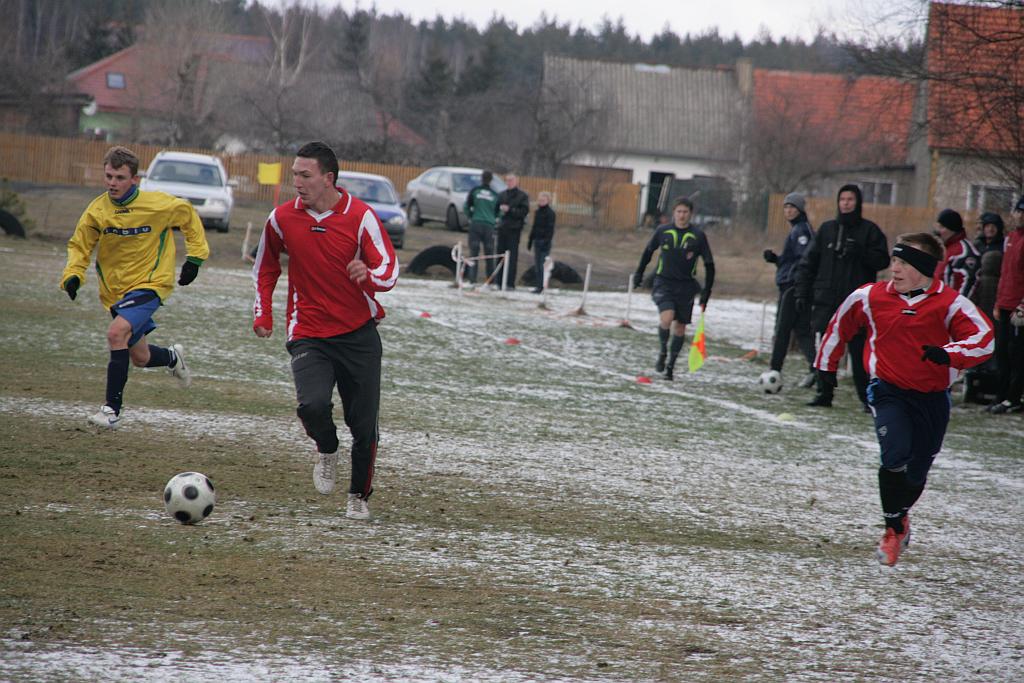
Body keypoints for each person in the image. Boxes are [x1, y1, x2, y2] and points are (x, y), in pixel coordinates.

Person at [815, 232, 993, 566]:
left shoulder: (950, 303)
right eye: (894, 261)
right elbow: (839, 326)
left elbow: (984, 338)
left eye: (904, 262)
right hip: (888, 391)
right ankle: (893, 530)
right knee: (894, 454)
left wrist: (949, 353)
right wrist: (826, 366)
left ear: (925, 267)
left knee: (917, 472)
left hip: (932, 399)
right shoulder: (869, 296)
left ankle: (901, 518)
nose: (894, 268)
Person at [252, 142, 398, 521]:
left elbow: (389, 270)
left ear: (328, 178)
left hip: (358, 335)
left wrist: (369, 276)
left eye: (305, 175)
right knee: (312, 406)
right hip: (309, 332)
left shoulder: (360, 216)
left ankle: (358, 496)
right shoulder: (281, 218)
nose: (297, 182)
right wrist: (263, 311)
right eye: (294, 175)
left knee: (363, 426)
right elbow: (265, 266)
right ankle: (327, 448)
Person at [60, 145, 208, 430]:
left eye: (120, 177)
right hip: (116, 291)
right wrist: (73, 274)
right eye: (109, 176)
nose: (112, 183)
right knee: (140, 357)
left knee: (116, 333)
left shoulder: (157, 205)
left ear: (134, 179)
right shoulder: (97, 211)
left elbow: (188, 215)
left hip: (151, 284)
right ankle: (172, 357)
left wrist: (195, 259)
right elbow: (80, 245)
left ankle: (111, 411)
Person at [795, 184, 889, 409]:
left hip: (858, 304)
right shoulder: (827, 229)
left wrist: (861, 253)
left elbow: (883, 261)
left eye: (850, 199)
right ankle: (824, 394)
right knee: (826, 351)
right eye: (842, 199)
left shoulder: (870, 231)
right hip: (826, 301)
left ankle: (867, 399)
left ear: (858, 203)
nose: (846, 203)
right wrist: (802, 292)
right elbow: (808, 263)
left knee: (859, 353)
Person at [633, 197, 715, 380]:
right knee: (667, 317)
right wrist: (639, 273)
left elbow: (709, 264)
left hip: (686, 286)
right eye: (679, 211)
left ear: (690, 214)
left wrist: (706, 292)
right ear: (674, 213)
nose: (682, 215)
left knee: (679, 328)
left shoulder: (698, 236)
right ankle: (663, 351)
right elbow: (648, 252)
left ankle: (670, 366)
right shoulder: (663, 231)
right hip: (664, 282)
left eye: (685, 212)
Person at [762, 192, 816, 389]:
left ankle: (774, 370)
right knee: (801, 330)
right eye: (786, 207)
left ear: (800, 209)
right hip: (795, 285)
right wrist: (776, 259)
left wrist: (798, 285)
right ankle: (817, 369)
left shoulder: (802, 231)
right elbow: (792, 262)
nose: (788, 210)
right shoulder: (796, 229)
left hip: (794, 287)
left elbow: (805, 261)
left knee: (782, 329)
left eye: (792, 207)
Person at [987, 196, 1024, 414]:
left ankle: (1013, 397)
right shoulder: (1010, 238)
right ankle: (1000, 395)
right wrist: (998, 302)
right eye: (1018, 211)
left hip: (1019, 308)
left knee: (1017, 354)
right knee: (1001, 350)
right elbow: (1005, 273)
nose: (1020, 216)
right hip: (1005, 303)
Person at [933, 208, 980, 298]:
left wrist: (955, 303)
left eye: (942, 227)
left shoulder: (963, 251)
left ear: (951, 229)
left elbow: (968, 281)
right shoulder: (946, 249)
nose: (938, 231)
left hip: (952, 303)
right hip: (940, 302)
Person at [463, 170, 500, 285]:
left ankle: (472, 279)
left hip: (476, 224)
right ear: (491, 180)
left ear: (481, 179)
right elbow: (499, 212)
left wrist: (471, 216)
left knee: (474, 252)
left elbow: (466, 206)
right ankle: (490, 280)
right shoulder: (495, 194)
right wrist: (494, 219)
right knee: (489, 253)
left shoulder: (475, 191)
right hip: (489, 226)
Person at [494, 173, 530, 289]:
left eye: (511, 180)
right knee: (500, 255)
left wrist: (510, 210)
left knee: (512, 257)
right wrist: (498, 216)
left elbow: (524, 212)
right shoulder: (502, 195)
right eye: (508, 181)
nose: (509, 183)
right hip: (502, 228)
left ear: (516, 181)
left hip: (514, 229)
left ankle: (510, 283)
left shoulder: (522, 196)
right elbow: (495, 210)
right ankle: (499, 282)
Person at [527, 191, 556, 293]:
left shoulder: (550, 213)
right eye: (540, 200)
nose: (541, 202)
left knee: (542, 265)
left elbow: (550, 229)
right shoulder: (537, 212)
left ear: (548, 200)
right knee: (537, 265)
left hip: (545, 242)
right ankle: (538, 286)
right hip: (537, 240)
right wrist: (530, 240)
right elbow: (534, 227)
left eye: (543, 200)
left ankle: (542, 286)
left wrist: (546, 241)